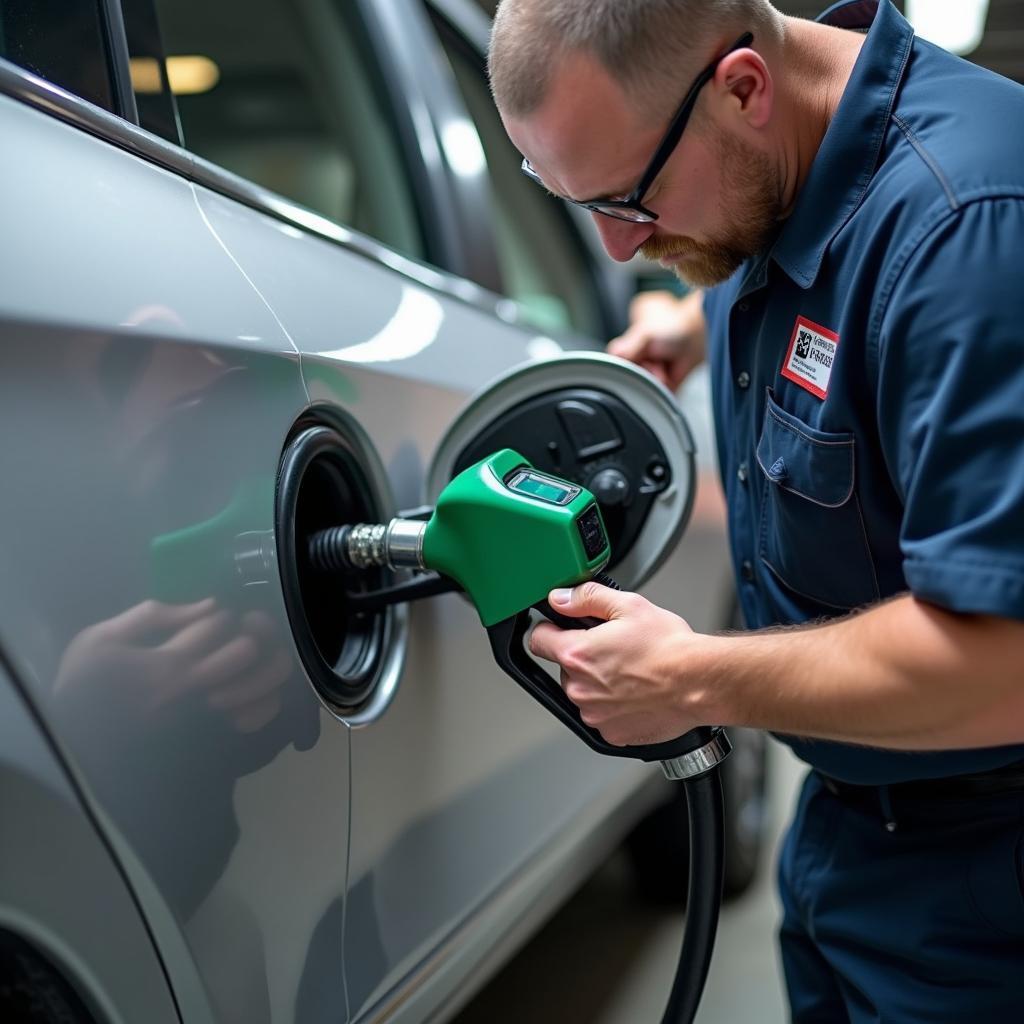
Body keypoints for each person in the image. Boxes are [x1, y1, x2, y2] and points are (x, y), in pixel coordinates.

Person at [488, 0, 1024, 1018]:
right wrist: (686, 318)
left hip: (988, 872)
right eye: (572, 201)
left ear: (742, 86)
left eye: (628, 199)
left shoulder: (973, 234)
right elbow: (803, 268)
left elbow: (1006, 659)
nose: (612, 248)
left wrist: (692, 678)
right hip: (850, 827)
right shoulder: (773, 171)